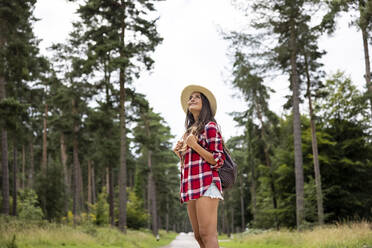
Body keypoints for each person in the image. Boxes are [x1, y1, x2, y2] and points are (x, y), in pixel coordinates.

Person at [173, 84, 226, 248]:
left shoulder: (210, 126)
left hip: (207, 183)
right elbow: (191, 163)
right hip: (191, 185)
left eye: (197, 97)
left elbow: (218, 160)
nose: (192, 99)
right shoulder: (189, 132)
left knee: (207, 235)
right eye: (191, 97)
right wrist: (179, 153)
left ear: (205, 104)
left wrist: (195, 146)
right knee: (198, 236)